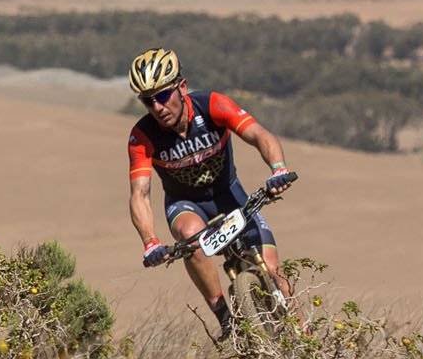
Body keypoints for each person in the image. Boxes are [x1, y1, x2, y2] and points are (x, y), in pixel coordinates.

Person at [123, 47, 300, 337]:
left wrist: (278, 168)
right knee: (189, 235)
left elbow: (259, 134)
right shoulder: (141, 136)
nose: (157, 107)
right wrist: (150, 242)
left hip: (230, 196)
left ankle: (306, 343)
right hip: (185, 204)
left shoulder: (212, 104)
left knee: (274, 271)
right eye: (147, 101)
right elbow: (139, 193)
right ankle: (224, 317)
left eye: (163, 96)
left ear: (182, 87)